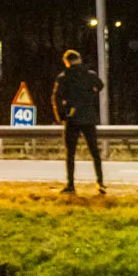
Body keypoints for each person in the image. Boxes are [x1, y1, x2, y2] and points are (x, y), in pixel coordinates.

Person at [52, 49, 105, 193]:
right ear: (80, 59)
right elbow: (100, 85)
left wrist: (62, 116)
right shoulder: (90, 75)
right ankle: (100, 182)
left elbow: (56, 98)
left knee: (70, 154)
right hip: (89, 118)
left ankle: (70, 185)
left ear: (67, 62)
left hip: (72, 119)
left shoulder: (63, 78)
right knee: (95, 152)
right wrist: (91, 94)